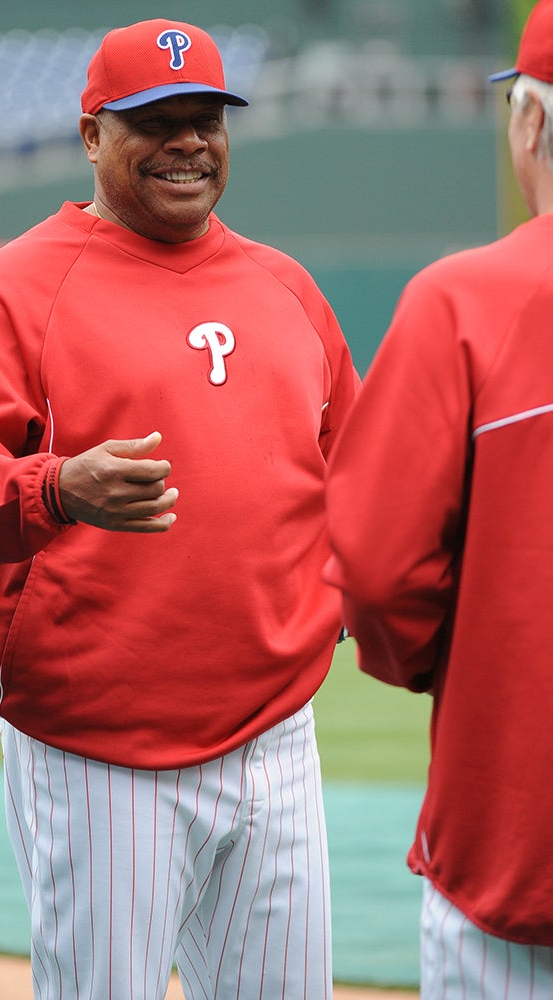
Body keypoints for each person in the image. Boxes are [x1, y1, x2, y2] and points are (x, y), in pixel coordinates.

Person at [0, 19, 359, 1000]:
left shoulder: (286, 288)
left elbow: (357, 473)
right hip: (99, 747)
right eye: (155, 121)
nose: (188, 140)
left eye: (206, 119)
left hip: (277, 731)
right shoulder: (15, 289)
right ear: (93, 135)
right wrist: (52, 488)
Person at [323, 2, 553, 996]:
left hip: (515, 838)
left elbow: (377, 573)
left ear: (531, 122)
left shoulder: (465, 300)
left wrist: (468, 670)